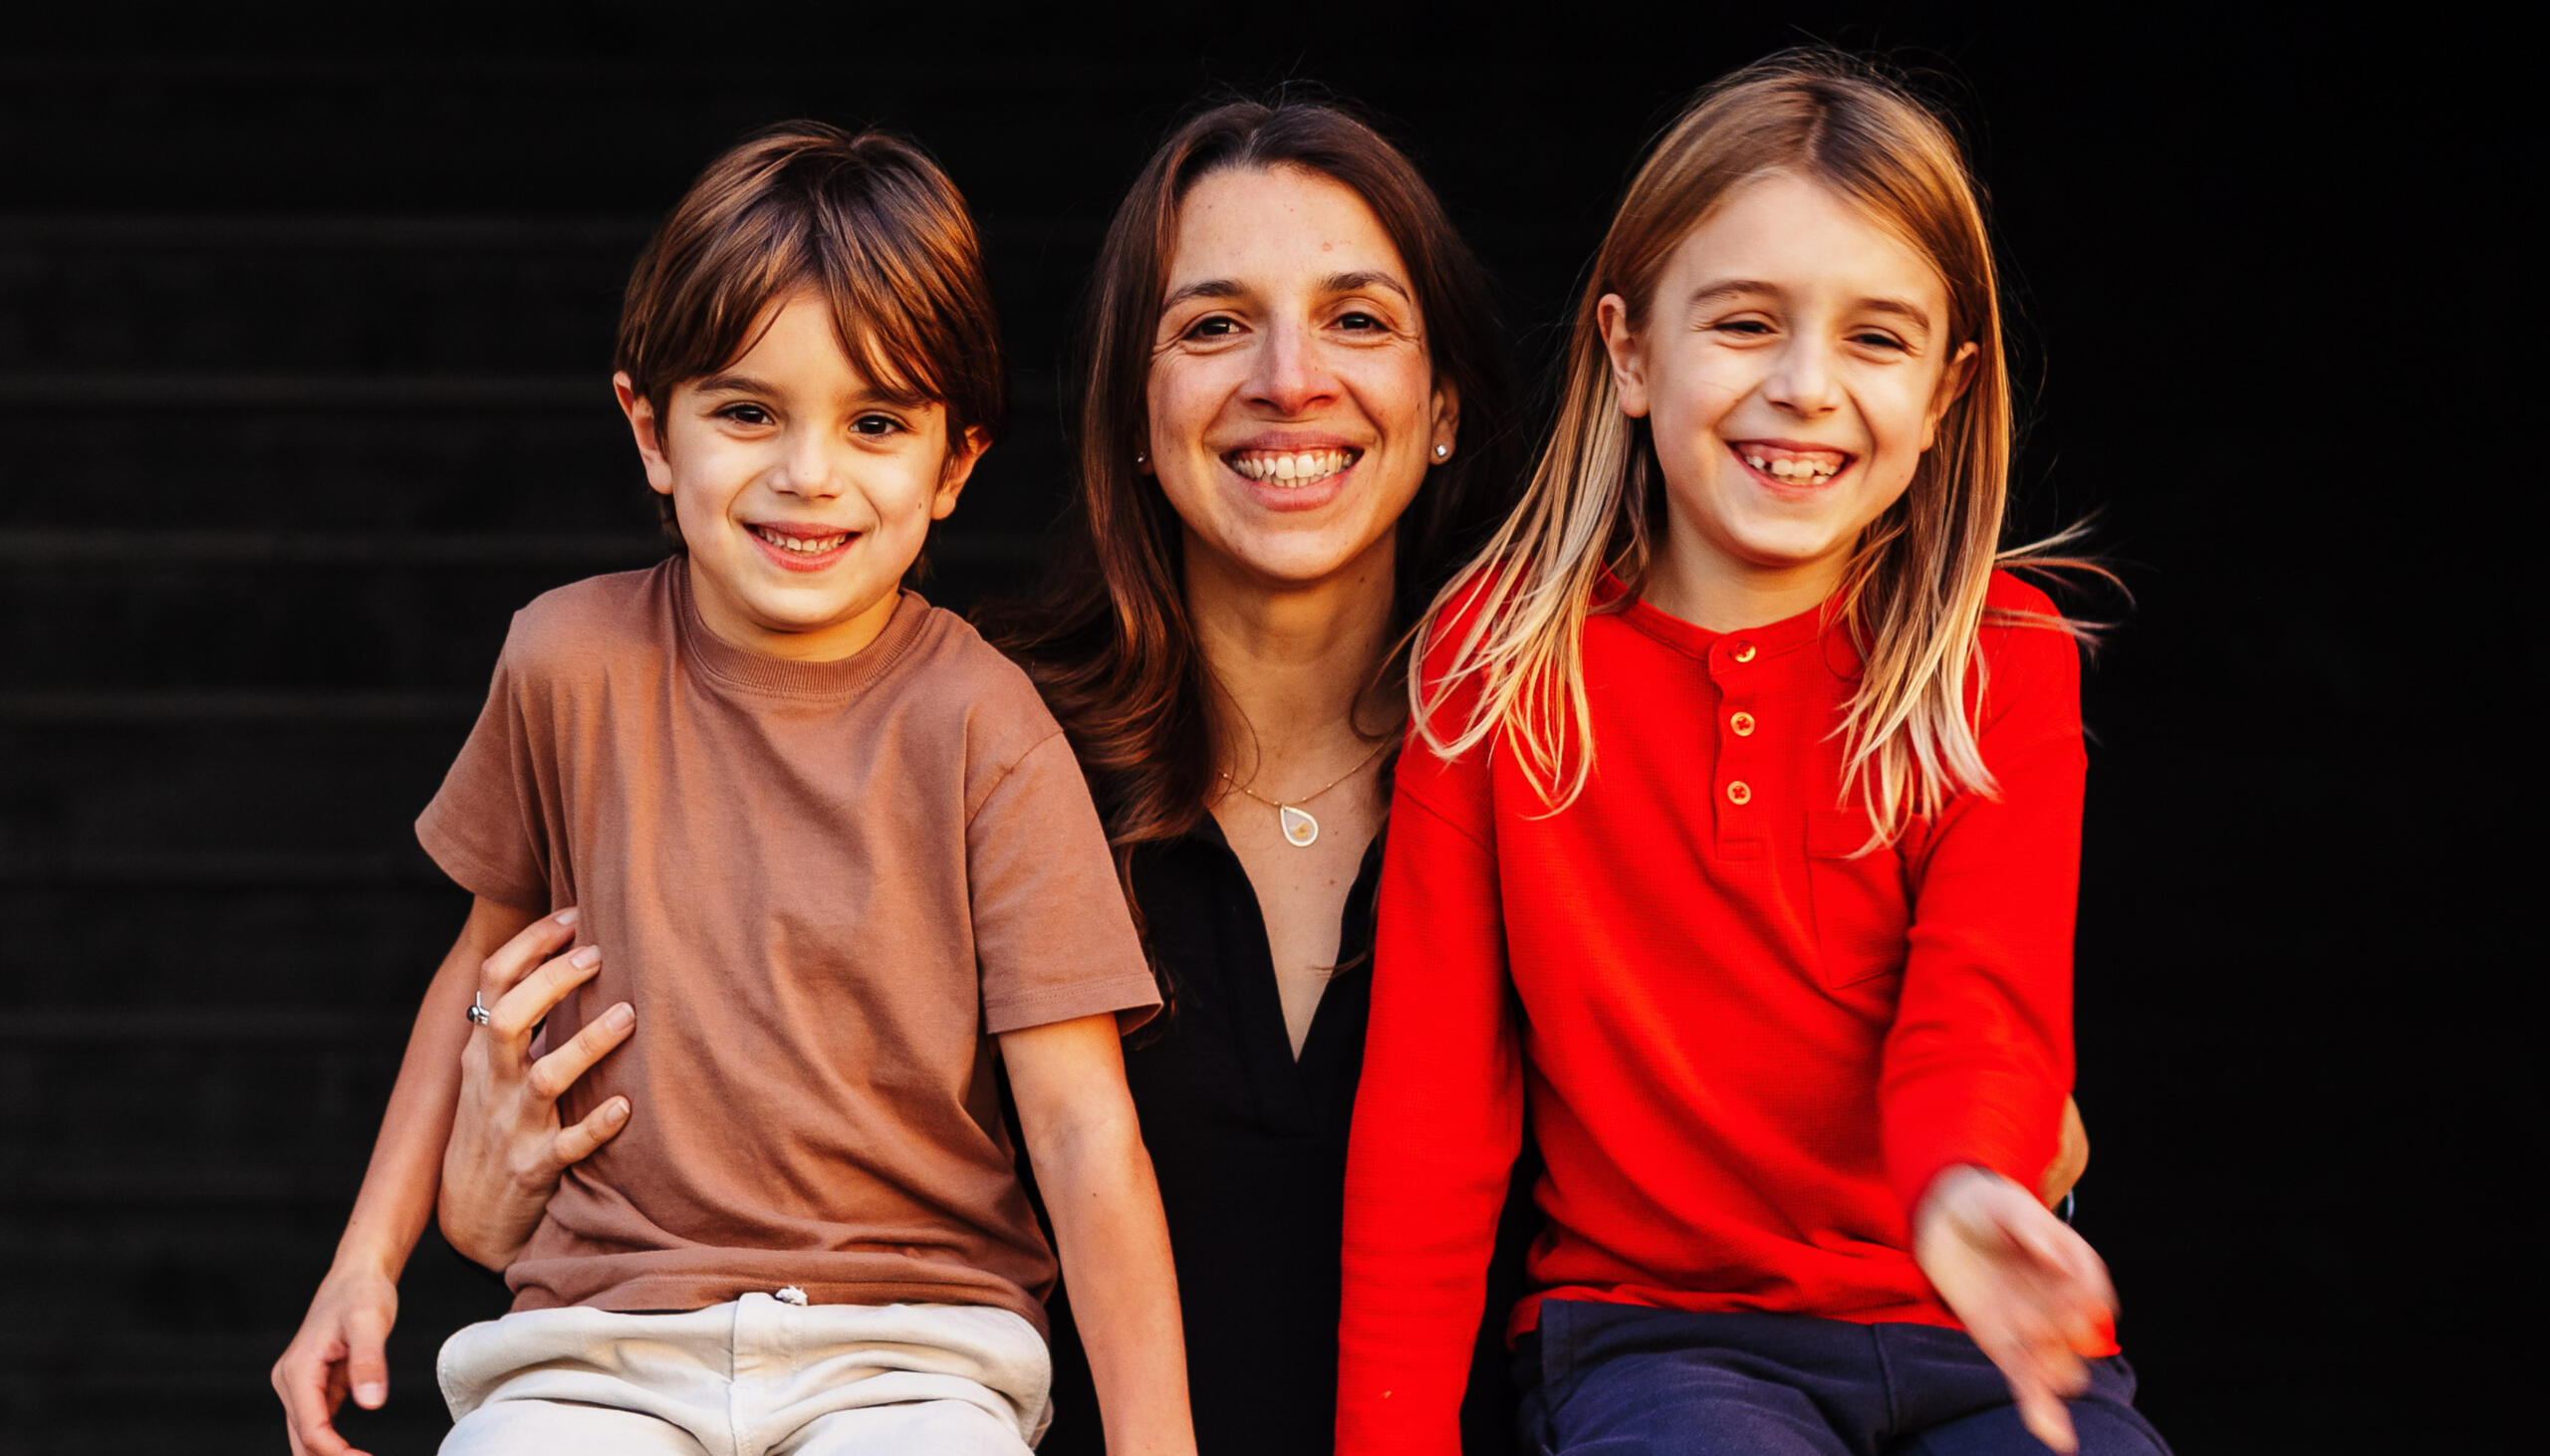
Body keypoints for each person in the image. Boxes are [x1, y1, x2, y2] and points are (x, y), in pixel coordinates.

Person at [425, 92, 2089, 1456]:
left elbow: (1942, 1060)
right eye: (1215, 325)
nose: (1289, 380)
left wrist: (1984, 1144)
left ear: (1442, 403)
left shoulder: (1543, 742)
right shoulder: (974, 742)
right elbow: (714, 1181)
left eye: (1356, 321)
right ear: (1135, 413)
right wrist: (485, 1195)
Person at [267, 123, 1193, 1456]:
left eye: (876, 421)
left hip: (912, 1356)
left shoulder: (986, 725)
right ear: (651, 428)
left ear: (956, 465)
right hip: (596, 1347)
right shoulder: (565, 664)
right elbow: (470, 982)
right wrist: (365, 1265)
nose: (808, 470)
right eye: (748, 410)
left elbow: (1083, 1128)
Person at [1336, 53, 2167, 1456]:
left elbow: (1986, 1000)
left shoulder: (1995, 655)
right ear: (1631, 352)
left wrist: (1968, 1187)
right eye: (1745, 322)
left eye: (1877, 339)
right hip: (1662, 1333)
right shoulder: (1501, 667)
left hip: (1968, 1323)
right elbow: (1430, 1122)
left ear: (1951, 391)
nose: (1805, 387)